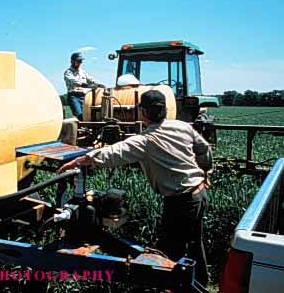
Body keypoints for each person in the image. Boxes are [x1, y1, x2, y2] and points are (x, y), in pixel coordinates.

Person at [57, 90, 212, 288]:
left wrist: (77, 161)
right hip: (199, 194)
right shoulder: (182, 127)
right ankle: (201, 283)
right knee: (194, 243)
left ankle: (174, 287)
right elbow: (203, 148)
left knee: (167, 255)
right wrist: (205, 172)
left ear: (142, 112)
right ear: (165, 109)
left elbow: (112, 153)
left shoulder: (145, 140)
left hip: (180, 202)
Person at [64, 52, 100, 120]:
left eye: (81, 61)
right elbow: (75, 81)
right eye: (78, 61)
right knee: (79, 116)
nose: (80, 63)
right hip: (74, 96)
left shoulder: (83, 72)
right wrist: (85, 84)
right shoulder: (68, 72)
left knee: (88, 116)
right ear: (72, 61)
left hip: (84, 97)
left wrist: (97, 84)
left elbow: (90, 79)